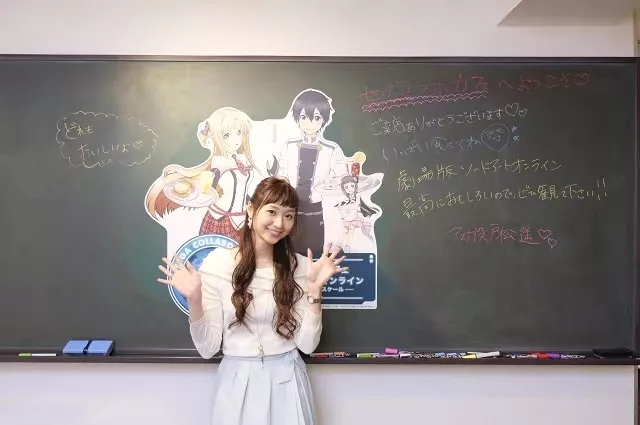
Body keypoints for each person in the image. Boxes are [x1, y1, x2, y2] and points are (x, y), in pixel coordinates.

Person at [157, 176, 348, 425]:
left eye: (289, 216)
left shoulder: (301, 267)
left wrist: (314, 290)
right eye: (272, 211)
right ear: (251, 209)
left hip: (288, 380)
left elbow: (308, 346)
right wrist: (194, 299)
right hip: (236, 383)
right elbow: (207, 348)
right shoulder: (218, 264)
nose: (279, 223)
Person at [269, 89, 347, 256]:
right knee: (287, 257)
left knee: (313, 256)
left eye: (316, 117)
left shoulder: (331, 150)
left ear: (324, 120)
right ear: (297, 118)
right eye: (304, 117)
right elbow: (281, 175)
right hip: (289, 212)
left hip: (316, 212)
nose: (309, 123)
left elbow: (341, 181)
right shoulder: (289, 146)